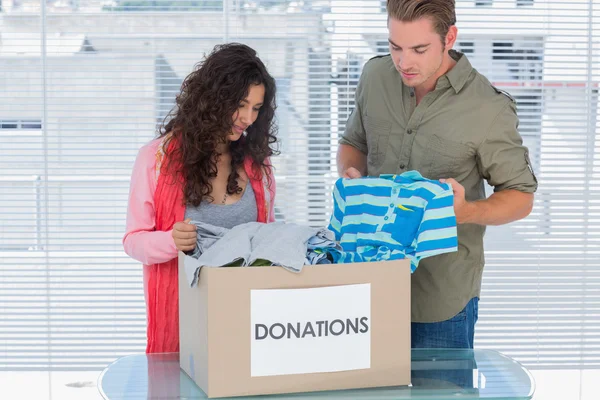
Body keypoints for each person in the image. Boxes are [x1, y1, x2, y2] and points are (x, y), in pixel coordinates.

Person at [336, 0, 537, 349]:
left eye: (418, 49)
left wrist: (468, 212)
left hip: (441, 301)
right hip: (368, 287)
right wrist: (352, 176)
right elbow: (354, 143)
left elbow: (521, 195)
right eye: (395, 46)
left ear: (450, 38)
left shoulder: (488, 107)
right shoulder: (374, 77)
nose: (404, 62)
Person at [123, 43, 278, 353]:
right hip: (183, 326)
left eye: (256, 108)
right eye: (241, 104)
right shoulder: (155, 158)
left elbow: (267, 236)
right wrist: (171, 241)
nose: (248, 117)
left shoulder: (258, 165)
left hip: (249, 325)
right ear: (214, 98)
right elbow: (133, 241)